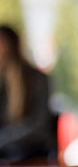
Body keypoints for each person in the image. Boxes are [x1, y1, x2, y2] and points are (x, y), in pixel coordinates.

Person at [0, 25, 55, 163]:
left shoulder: (37, 79)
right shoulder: (2, 82)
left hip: (31, 152)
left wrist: (3, 138)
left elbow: (38, 125)